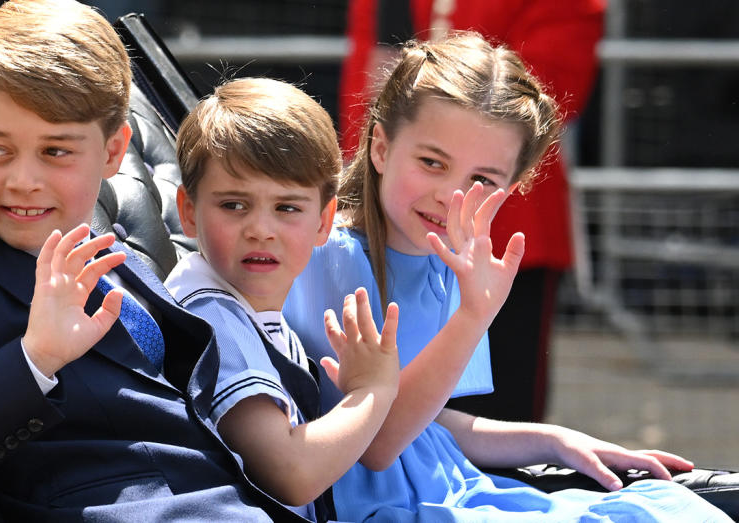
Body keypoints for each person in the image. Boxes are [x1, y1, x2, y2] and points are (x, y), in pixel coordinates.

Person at [0, 1, 306, 521]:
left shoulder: (105, 250)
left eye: (55, 152)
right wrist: (35, 358)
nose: (23, 179)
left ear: (114, 151)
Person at [283, 32, 730, 521]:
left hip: (453, 486)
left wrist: (553, 439)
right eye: (432, 163)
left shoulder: (451, 265)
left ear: (510, 190)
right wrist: (473, 316)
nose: (450, 196)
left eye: (481, 181)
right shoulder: (330, 257)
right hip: (377, 506)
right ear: (381, 148)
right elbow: (378, 443)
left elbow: (429, 426)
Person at [340, 0, 605, 422]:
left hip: (503, 229)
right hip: (393, 208)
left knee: (499, 405)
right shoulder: (329, 253)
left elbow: (548, 88)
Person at [163, 77, 402, 521]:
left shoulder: (252, 307)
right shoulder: (212, 317)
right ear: (189, 210)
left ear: (323, 221)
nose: (260, 229)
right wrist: (375, 390)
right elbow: (291, 474)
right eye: (234, 205)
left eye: (287, 208)